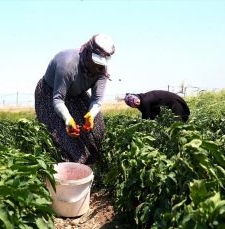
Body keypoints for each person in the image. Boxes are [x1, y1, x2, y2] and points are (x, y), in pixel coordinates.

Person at [34, 34, 115, 164]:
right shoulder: (67, 65)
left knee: (97, 129)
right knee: (65, 138)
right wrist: (68, 119)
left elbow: (96, 100)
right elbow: (58, 99)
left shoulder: (101, 71)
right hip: (50, 93)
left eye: (99, 65)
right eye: (94, 62)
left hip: (77, 95)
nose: (96, 67)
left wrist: (91, 115)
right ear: (88, 52)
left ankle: (91, 168)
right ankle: (64, 173)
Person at [124, 90, 190, 122]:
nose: (137, 104)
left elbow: (146, 120)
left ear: (136, 97)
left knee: (178, 124)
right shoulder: (142, 98)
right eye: (135, 105)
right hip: (170, 104)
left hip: (175, 103)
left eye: (136, 101)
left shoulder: (145, 101)